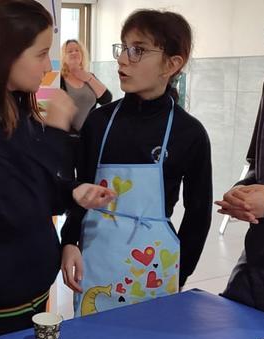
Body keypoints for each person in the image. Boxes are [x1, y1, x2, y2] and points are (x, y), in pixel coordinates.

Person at [0, 0, 115, 339]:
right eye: (41, 54)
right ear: (7, 54)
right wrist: (55, 133)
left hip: (32, 284)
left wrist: (72, 193)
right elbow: (16, 209)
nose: (47, 66)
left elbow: (42, 194)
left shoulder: (16, 109)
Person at [61, 10, 212, 315]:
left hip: (155, 271)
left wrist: (179, 274)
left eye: (138, 50)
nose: (122, 60)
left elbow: (199, 214)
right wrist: (69, 241)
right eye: (123, 47)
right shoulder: (99, 122)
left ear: (172, 64)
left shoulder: (189, 133)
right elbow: (79, 190)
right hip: (96, 264)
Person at [60, 39, 112, 135]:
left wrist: (89, 78)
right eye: (69, 51)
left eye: (77, 50)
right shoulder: (59, 80)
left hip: (88, 135)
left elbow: (106, 99)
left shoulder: (90, 76)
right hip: (65, 136)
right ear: (63, 57)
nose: (74, 53)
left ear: (82, 54)